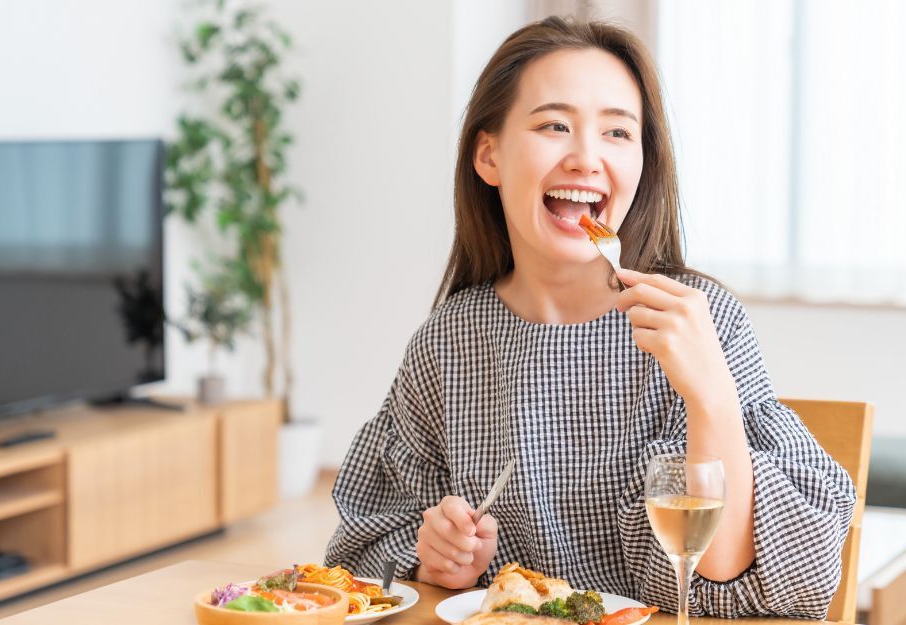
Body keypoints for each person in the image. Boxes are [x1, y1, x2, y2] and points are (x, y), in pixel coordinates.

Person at [324, 15, 855, 619]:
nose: (586, 157)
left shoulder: (704, 323)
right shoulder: (449, 341)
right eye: (554, 125)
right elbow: (359, 551)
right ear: (489, 154)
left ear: (642, 164)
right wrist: (434, 557)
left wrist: (711, 393)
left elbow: (730, 576)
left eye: (617, 133)